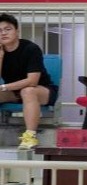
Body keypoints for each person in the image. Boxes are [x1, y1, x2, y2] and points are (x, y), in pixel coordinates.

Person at [0, 13, 57, 150]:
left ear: (17, 31)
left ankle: (30, 136)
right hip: (14, 92)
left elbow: (32, 81)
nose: (3, 33)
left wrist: (3, 87)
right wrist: (0, 57)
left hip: (41, 90)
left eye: (7, 29)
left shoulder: (31, 49)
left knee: (28, 91)